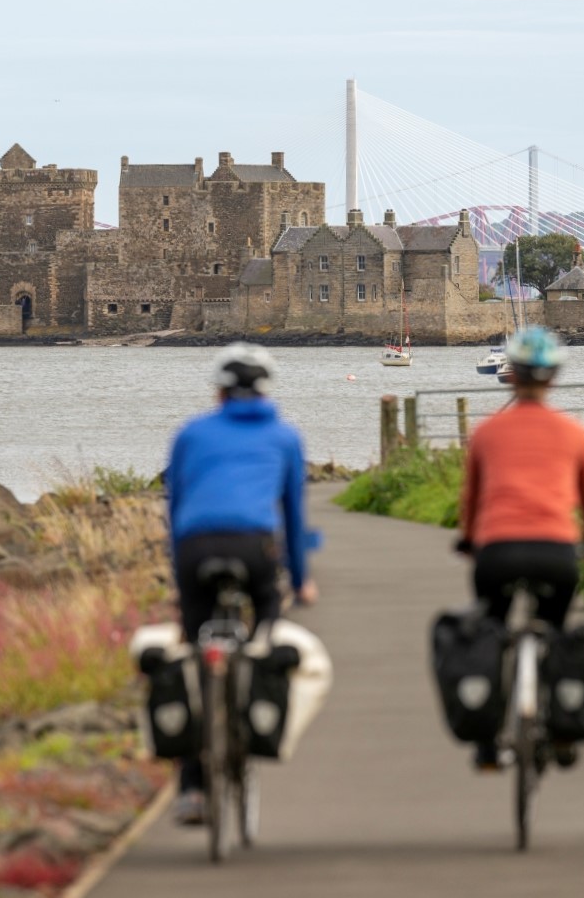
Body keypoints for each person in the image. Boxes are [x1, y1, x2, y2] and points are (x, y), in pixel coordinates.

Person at [163, 342, 317, 824]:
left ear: (219, 390)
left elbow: (176, 505)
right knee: (268, 626)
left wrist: (177, 567)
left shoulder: (191, 432)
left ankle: (191, 789)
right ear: (265, 388)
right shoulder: (285, 436)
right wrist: (301, 579)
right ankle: (258, 708)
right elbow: (292, 515)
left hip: (196, 548)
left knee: (192, 648)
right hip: (254, 547)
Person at [456, 325, 584, 771]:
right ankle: (562, 729)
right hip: (556, 554)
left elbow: (471, 500)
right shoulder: (574, 432)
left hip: (497, 554)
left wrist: (468, 540)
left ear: (514, 375)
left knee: (491, 633)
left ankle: (486, 743)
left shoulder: (486, 432)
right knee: (557, 634)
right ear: (553, 377)